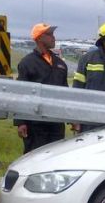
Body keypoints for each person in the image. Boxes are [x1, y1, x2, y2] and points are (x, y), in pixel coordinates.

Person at [14, 23, 68, 153]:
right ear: (39, 38)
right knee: (34, 157)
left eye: (53, 34)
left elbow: (66, 93)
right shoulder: (27, 63)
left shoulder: (60, 64)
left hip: (56, 122)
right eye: (49, 34)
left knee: (56, 156)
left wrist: (73, 119)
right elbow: (21, 94)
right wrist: (21, 122)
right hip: (35, 123)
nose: (53, 37)